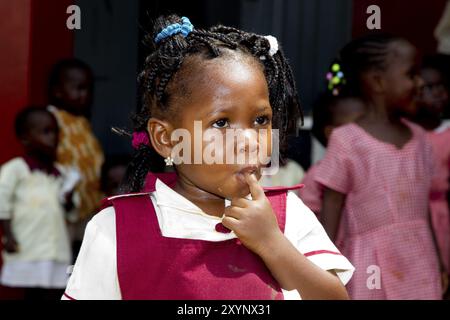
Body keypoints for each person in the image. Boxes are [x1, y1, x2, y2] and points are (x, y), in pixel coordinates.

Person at [63, 15, 354, 300]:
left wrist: (272, 244)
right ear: (166, 139)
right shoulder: (117, 228)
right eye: (221, 123)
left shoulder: (285, 215)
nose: (250, 141)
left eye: (261, 120)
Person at [314, 34, 443, 299]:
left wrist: (439, 263)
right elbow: (332, 206)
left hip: (420, 262)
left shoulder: (419, 138)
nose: (419, 83)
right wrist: (323, 268)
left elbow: (424, 210)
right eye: (411, 74)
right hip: (369, 265)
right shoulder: (347, 140)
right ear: (378, 81)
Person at [0, 107, 78, 300]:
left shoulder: (61, 173)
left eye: (55, 131)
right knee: (30, 293)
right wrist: (8, 234)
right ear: (25, 138)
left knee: (52, 291)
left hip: (55, 248)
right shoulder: (16, 169)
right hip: (28, 246)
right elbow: (2, 200)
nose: (54, 137)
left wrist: (69, 202)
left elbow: (72, 212)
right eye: (46, 132)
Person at [47, 59, 105, 260]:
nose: (85, 95)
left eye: (89, 89)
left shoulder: (81, 122)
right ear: (57, 91)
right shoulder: (50, 119)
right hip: (62, 205)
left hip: (88, 204)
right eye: (78, 88)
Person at [414, 56, 450, 292]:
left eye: (441, 86)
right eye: (428, 87)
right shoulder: (406, 133)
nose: (437, 93)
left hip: (441, 217)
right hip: (411, 216)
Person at [299, 93, 365, 216]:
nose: (366, 132)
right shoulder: (315, 178)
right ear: (332, 133)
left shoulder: (372, 166)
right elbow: (310, 223)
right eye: (358, 126)